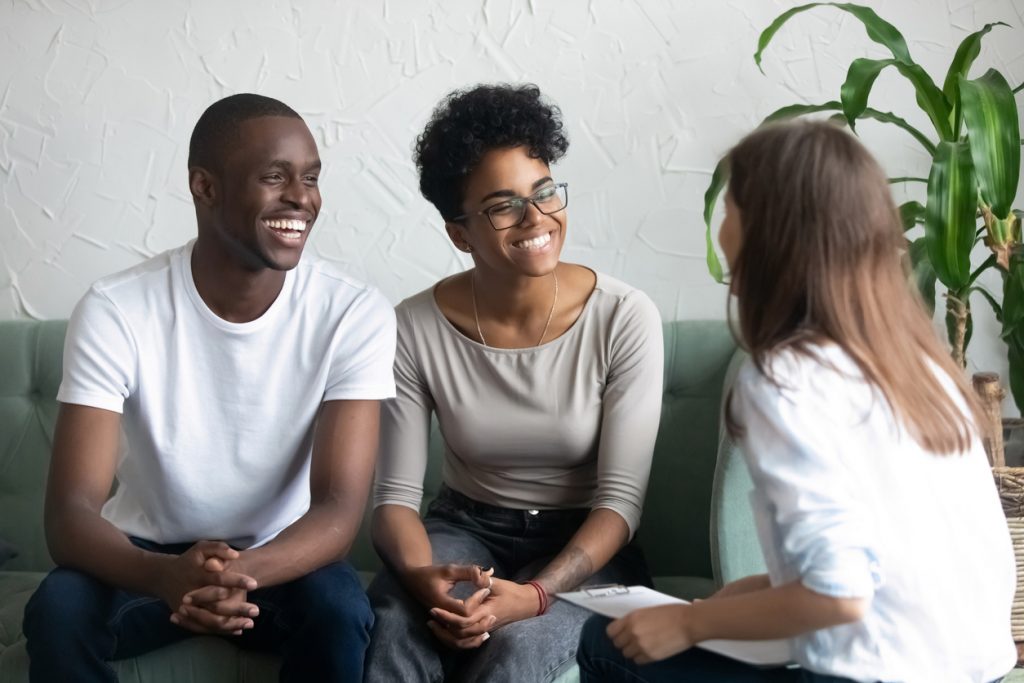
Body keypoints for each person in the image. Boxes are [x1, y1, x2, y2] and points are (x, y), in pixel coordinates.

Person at [576, 120, 1017, 682]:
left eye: (730, 206)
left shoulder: (789, 379)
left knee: (603, 643)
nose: (721, 224)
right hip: (979, 671)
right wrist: (737, 601)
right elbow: (887, 564)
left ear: (768, 229)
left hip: (876, 673)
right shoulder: (919, 364)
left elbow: (838, 596)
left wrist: (689, 626)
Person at [22, 93, 397, 682]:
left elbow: (338, 508)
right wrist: (164, 576)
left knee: (340, 613)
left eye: (311, 178)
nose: (301, 197)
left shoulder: (353, 312)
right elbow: (70, 513)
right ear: (205, 186)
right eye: (275, 177)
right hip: (144, 556)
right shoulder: (117, 309)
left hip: (284, 556)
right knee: (57, 611)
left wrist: (231, 576)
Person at [363, 83, 664, 682]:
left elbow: (620, 503)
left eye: (544, 191)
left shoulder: (623, 316)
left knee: (517, 651)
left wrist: (536, 595)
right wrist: (424, 579)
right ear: (460, 233)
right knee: (397, 623)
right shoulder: (413, 325)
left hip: (585, 543)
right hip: (464, 527)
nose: (536, 219)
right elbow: (394, 499)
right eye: (503, 206)